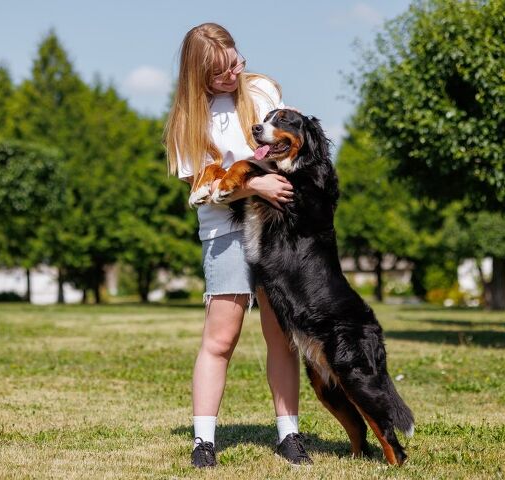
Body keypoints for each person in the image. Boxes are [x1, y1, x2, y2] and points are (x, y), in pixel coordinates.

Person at [164, 23, 310, 468]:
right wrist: (255, 188)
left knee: (281, 336)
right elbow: (200, 190)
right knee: (221, 338)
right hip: (225, 230)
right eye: (220, 73)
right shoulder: (189, 120)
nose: (233, 76)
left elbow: (292, 147)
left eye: (236, 63)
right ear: (198, 76)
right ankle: (203, 442)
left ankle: (289, 435)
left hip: (276, 230)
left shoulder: (263, 90)